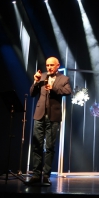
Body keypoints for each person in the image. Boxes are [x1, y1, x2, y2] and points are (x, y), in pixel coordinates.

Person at [27, 57, 72, 185]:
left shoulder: (64, 79)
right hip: (39, 115)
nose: (49, 67)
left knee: (50, 147)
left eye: (52, 65)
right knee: (37, 145)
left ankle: (46, 176)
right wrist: (36, 82)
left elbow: (68, 91)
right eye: (47, 65)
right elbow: (32, 93)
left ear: (58, 65)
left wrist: (53, 88)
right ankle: (36, 175)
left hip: (53, 116)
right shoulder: (41, 77)